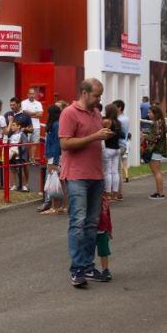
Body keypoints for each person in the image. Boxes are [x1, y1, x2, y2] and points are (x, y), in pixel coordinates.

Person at [59, 79, 111, 288]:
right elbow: (65, 143)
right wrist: (94, 136)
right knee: (78, 222)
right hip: (76, 176)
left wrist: (104, 132)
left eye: (100, 95)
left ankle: (88, 266)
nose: (99, 99)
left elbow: (94, 139)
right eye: (96, 95)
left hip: (96, 175)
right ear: (84, 93)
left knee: (91, 224)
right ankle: (77, 268)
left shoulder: (96, 113)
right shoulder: (69, 113)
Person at [40, 103, 66, 214]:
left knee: (53, 180)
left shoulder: (55, 125)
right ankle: (63, 206)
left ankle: (55, 207)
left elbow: (56, 143)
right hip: (55, 155)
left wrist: (54, 160)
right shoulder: (58, 124)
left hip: (54, 156)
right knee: (59, 181)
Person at [145, 105, 167, 200]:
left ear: (155, 114)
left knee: (156, 172)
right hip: (157, 150)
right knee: (157, 172)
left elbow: (155, 137)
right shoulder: (160, 122)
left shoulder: (157, 123)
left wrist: (145, 136)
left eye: (150, 112)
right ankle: (159, 192)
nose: (148, 114)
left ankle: (160, 193)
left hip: (155, 150)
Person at [101, 103, 122, 200]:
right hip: (117, 148)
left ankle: (108, 193)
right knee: (115, 172)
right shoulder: (118, 122)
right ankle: (115, 192)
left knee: (107, 172)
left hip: (108, 148)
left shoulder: (107, 121)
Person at [95, 196, 114, 282]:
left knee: (104, 251)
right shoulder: (87, 200)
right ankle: (86, 268)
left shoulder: (104, 201)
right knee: (87, 250)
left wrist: (109, 229)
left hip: (103, 230)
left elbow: (108, 217)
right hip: (90, 230)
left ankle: (105, 269)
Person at [114, 99, 130, 195]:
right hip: (123, 145)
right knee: (117, 170)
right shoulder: (125, 118)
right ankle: (118, 192)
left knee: (116, 170)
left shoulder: (120, 120)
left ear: (119, 108)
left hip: (119, 145)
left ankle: (118, 192)